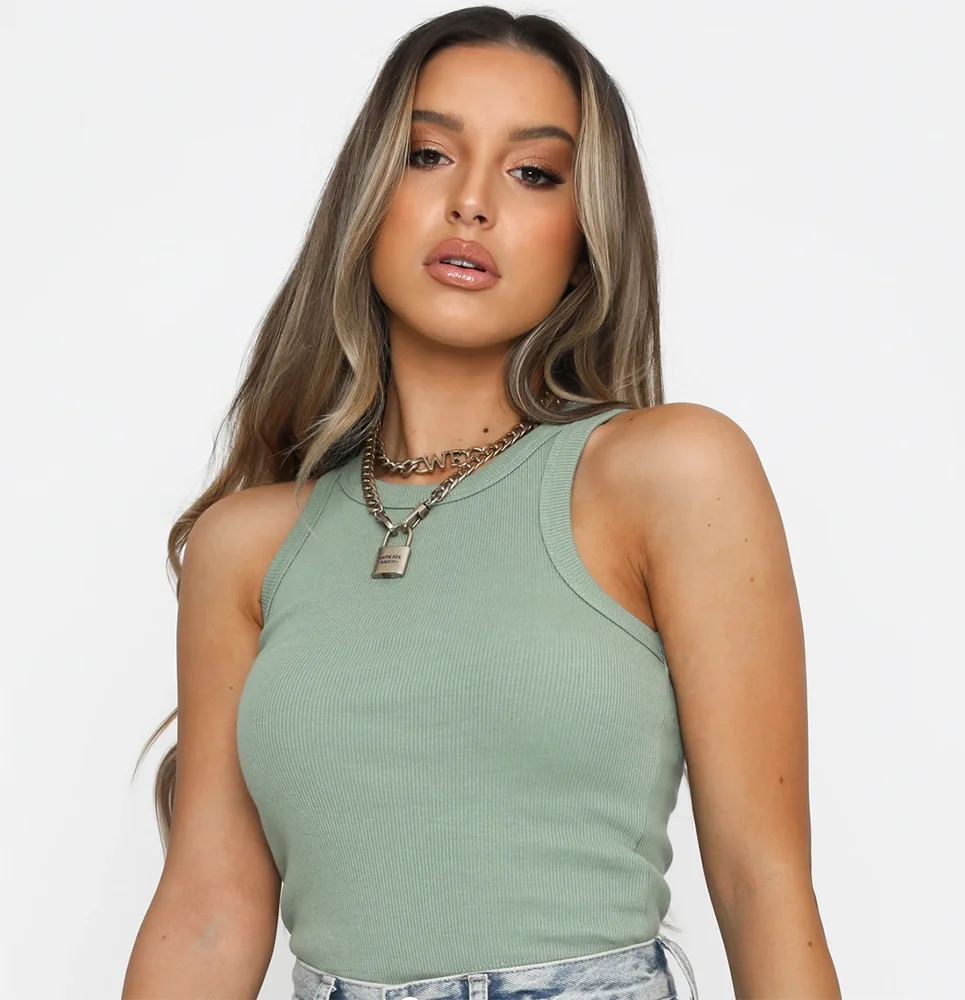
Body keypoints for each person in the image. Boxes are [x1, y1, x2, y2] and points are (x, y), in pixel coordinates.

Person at [123, 7, 840, 999]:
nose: (470, 203)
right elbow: (209, 910)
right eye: (428, 155)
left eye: (533, 173)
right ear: (368, 195)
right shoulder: (244, 547)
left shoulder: (668, 473)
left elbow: (764, 886)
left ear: (586, 237)